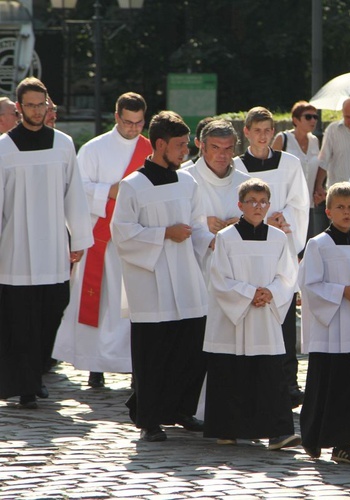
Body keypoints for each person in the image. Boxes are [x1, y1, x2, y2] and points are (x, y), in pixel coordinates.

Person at [112, 111, 213, 442]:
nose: (186, 151)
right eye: (180, 145)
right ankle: (149, 419)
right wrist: (164, 233)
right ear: (159, 145)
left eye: (186, 145)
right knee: (153, 355)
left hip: (186, 279)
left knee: (191, 349)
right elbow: (122, 233)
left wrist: (215, 243)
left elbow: (197, 225)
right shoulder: (132, 185)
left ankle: (181, 410)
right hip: (151, 284)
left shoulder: (188, 182)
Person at [0, 77, 93, 409]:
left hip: (54, 247)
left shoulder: (64, 144)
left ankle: (36, 372)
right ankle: (26, 384)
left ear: (48, 105)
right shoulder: (4, 148)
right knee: (19, 320)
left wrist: (79, 237)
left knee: (53, 309)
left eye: (42, 104)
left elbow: (75, 194)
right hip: (15, 251)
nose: (37, 110)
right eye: (30, 105)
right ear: (19, 107)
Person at [53, 92, 152, 389]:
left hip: (135, 238)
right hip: (100, 237)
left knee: (133, 305)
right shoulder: (94, 149)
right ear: (116, 116)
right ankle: (96, 364)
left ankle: (134, 364)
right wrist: (110, 192)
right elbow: (77, 188)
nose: (133, 129)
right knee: (102, 303)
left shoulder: (149, 150)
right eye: (128, 122)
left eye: (139, 123)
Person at [202, 178, 301, 450]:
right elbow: (219, 278)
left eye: (263, 202)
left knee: (269, 373)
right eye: (252, 202)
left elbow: (288, 275)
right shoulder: (225, 237)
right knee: (230, 372)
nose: (258, 207)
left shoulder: (279, 238)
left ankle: (278, 433)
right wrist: (249, 294)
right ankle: (227, 429)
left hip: (265, 314)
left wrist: (269, 293)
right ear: (240, 205)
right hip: (232, 317)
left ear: (269, 205)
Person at [234, 106, 309, 406]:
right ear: (247, 132)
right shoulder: (237, 167)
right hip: (250, 248)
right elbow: (235, 202)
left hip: (281, 245)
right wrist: (261, 220)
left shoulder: (289, 164)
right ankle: (254, 379)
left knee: (284, 312)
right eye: (257, 131)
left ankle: (288, 381)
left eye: (268, 131)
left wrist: (281, 219)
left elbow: (300, 203)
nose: (263, 136)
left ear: (274, 133)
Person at [298, 182, 350, 464]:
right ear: (328, 211)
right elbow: (308, 283)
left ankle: (344, 444)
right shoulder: (318, 244)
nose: (346, 212)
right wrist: (342, 291)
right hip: (329, 327)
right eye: (340, 207)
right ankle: (313, 436)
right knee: (324, 385)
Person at [183, 119, 250, 276]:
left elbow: (259, 220)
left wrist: (244, 224)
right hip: (195, 267)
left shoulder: (245, 183)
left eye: (228, 149)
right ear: (203, 147)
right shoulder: (184, 179)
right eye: (215, 147)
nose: (222, 155)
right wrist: (202, 224)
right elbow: (170, 223)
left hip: (235, 267)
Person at [272, 101, 325, 242]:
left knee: (307, 245)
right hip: (286, 204)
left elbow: (320, 166)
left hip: (308, 204)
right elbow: (272, 169)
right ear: (295, 120)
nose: (313, 120)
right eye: (308, 117)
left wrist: (319, 187)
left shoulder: (314, 141)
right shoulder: (282, 139)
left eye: (315, 117)